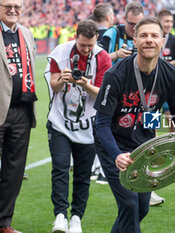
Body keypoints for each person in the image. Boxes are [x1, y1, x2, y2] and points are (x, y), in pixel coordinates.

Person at [94, 16, 175, 233]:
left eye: (154, 36)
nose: (149, 40)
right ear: (134, 41)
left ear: (162, 41)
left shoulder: (170, 74)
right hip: (113, 145)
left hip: (143, 145)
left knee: (140, 209)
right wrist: (116, 154)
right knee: (128, 204)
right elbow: (101, 124)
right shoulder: (115, 74)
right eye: (143, 35)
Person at [45, 19, 111, 233]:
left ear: (96, 40)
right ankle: (61, 216)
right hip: (59, 121)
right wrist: (63, 80)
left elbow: (102, 94)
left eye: (90, 45)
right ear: (76, 38)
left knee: (83, 174)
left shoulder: (102, 57)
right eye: (82, 45)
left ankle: (76, 218)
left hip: (88, 124)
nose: (85, 49)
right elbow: (54, 87)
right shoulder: (60, 52)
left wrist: (85, 84)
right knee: (60, 168)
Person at [0, 0, 37, 232]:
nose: (13, 10)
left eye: (17, 6)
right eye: (7, 5)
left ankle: (4, 222)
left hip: (22, 109)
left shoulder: (26, 33)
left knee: (13, 171)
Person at [147, 8, 175, 206]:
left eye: (171, 21)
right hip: (150, 96)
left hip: (167, 89)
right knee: (149, 129)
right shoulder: (152, 40)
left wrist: (167, 65)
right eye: (165, 21)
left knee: (173, 118)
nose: (169, 24)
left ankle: (170, 148)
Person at [90, 2, 115, 185]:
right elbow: (105, 57)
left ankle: (91, 167)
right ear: (108, 17)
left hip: (86, 85)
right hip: (105, 85)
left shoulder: (88, 31)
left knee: (90, 124)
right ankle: (102, 170)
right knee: (104, 125)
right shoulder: (109, 34)